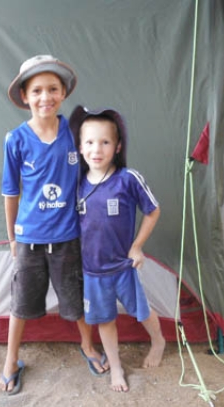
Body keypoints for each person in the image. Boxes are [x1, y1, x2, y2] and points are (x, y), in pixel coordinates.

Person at [0, 55, 109, 395]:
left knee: (75, 299)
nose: (45, 97)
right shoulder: (15, 140)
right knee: (20, 303)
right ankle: (10, 360)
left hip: (68, 237)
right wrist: (12, 237)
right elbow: (10, 192)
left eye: (52, 89)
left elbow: (96, 170)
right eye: (37, 91)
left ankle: (88, 347)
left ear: (63, 94)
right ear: (25, 96)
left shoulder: (76, 134)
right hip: (29, 239)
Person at [69, 106, 166, 392]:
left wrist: (137, 246)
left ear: (118, 146)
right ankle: (117, 368)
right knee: (104, 320)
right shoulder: (76, 185)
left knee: (142, 310)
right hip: (92, 272)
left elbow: (153, 211)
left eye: (105, 142)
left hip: (123, 267)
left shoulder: (128, 178)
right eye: (89, 142)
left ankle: (158, 341)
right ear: (80, 146)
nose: (96, 149)